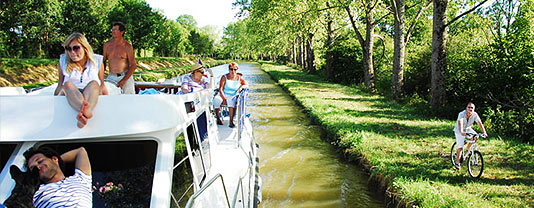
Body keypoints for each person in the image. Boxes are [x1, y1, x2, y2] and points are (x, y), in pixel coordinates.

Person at [54, 32, 107, 128]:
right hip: (71, 92)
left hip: (90, 92)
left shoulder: (97, 61)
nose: (72, 52)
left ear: (85, 47)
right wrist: (54, 100)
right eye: (68, 49)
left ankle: (83, 115)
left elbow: (102, 85)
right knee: (67, 85)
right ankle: (86, 112)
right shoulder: (63, 62)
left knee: (94, 84)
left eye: (76, 48)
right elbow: (60, 85)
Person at [24, 146, 92, 208]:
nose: (38, 167)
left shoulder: (80, 179)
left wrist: (57, 160)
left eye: (40, 161)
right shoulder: (37, 193)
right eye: (33, 168)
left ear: (54, 159)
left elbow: (80, 151)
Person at [103, 22, 136, 94]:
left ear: (122, 32)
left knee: (129, 100)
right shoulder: (107, 45)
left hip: (125, 76)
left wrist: (124, 80)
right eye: (112, 29)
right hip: (112, 77)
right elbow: (103, 61)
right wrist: (101, 75)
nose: (113, 31)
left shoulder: (127, 46)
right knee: (110, 98)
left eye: (115, 30)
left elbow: (133, 65)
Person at [453, 102, 488, 169]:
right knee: (460, 147)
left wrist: (484, 132)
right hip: (459, 130)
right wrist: (461, 132)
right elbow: (460, 122)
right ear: (466, 108)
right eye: (469, 107)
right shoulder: (461, 114)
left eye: (472, 108)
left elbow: (480, 123)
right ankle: (457, 163)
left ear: (474, 109)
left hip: (467, 129)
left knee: (475, 137)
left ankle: (467, 149)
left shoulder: (475, 115)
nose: (470, 109)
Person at [213, 62, 248, 128]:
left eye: (235, 69)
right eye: (231, 69)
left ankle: (231, 122)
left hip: (232, 95)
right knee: (216, 100)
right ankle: (218, 118)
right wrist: (224, 98)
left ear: (237, 70)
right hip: (223, 93)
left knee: (231, 101)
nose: (233, 71)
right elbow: (220, 89)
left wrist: (241, 88)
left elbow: (246, 84)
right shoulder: (224, 77)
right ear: (229, 70)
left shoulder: (239, 78)